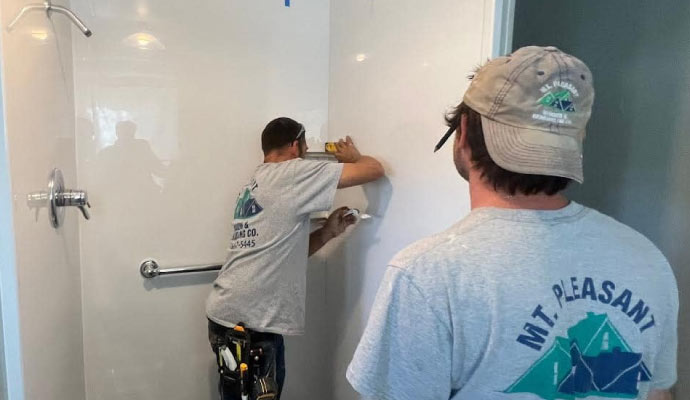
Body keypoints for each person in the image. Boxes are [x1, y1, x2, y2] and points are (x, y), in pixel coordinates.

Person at [346, 46, 678, 400]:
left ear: (462, 134)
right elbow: (658, 393)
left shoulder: (427, 275)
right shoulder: (646, 259)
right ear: (573, 143)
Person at [206, 117, 384, 399]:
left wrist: (327, 233)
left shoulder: (257, 182)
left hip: (228, 315)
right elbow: (373, 170)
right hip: (253, 323)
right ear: (295, 145)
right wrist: (354, 157)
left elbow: (282, 250)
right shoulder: (291, 173)